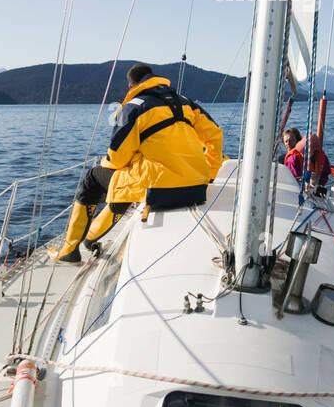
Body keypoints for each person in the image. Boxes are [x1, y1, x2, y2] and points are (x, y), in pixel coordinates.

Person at [50, 63, 223, 262]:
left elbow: (117, 158)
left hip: (160, 189)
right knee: (126, 180)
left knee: (95, 178)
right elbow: (215, 135)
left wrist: (110, 162)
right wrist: (210, 173)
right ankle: (90, 239)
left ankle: (69, 251)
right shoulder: (187, 103)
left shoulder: (133, 107)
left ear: (131, 86)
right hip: (197, 188)